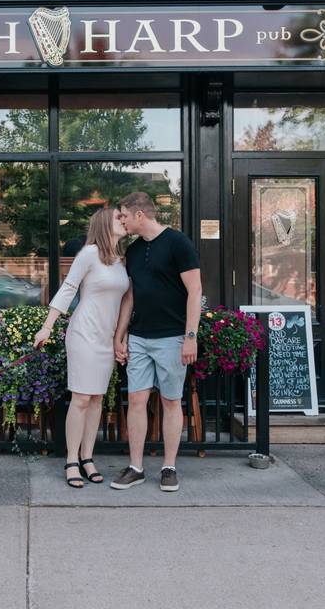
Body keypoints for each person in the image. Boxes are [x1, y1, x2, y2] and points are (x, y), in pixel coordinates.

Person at [111, 192, 201, 492]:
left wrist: (190, 337)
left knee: (171, 401)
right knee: (136, 399)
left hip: (173, 338)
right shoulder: (134, 251)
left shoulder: (179, 243)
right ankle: (136, 467)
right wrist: (120, 335)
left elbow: (194, 291)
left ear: (139, 215)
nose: (121, 220)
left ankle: (168, 466)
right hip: (139, 337)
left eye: (124, 214)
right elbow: (130, 296)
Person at [33, 208, 129, 488]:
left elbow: (124, 302)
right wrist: (47, 327)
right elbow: (68, 288)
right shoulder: (89, 253)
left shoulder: (120, 261)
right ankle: (72, 460)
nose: (122, 221)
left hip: (105, 338)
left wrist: (119, 338)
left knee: (97, 399)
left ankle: (88, 457)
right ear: (103, 224)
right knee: (81, 399)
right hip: (84, 333)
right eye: (117, 218)